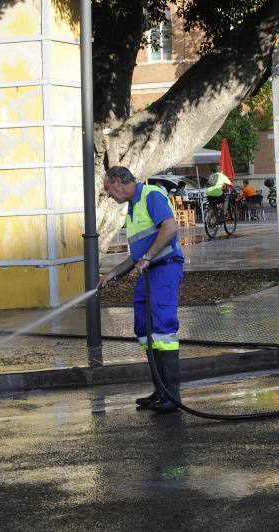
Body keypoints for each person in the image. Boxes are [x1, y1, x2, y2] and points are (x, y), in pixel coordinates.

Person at [98, 166, 185, 412]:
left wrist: (147, 257)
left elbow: (170, 228)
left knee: (161, 329)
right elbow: (136, 255)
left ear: (117, 181)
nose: (107, 195)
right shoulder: (133, 207)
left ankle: (172, 396)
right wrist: (113, 274)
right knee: (145, 329)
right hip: (150, 272)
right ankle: (160, 392)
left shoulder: (151, 196)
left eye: (107, 189)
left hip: (164, 269)